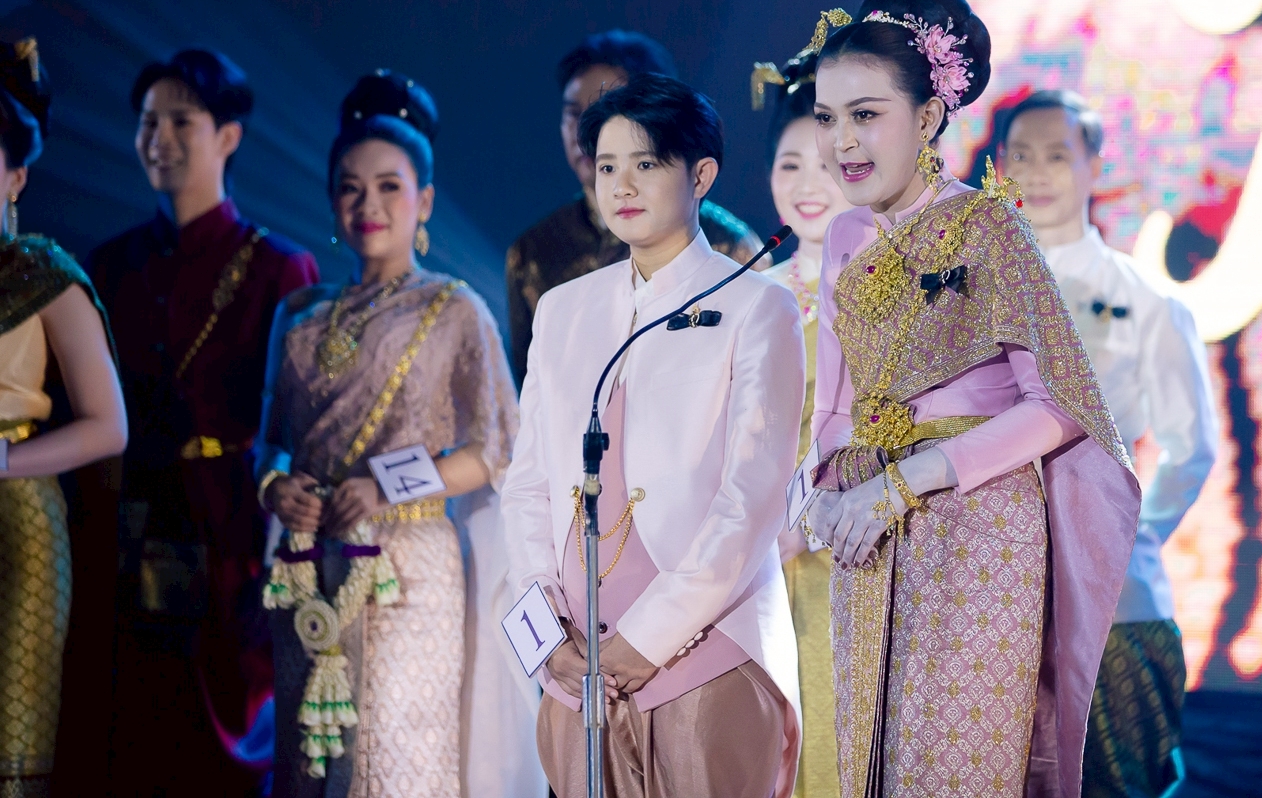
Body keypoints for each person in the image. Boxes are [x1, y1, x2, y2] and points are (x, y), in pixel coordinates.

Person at [801, 0, 1142, 797]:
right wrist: (821, 486)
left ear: (927, 117)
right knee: (868, 764)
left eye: (865, 115)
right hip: (867, 521)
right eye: (826, 117)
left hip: (975, 523)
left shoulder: (990, 227)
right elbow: (837, 403)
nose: (842, 141)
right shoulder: (844, 235)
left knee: (949, 766)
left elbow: (1059, 405)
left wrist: (908, 481)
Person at [503, 73, 805, 797]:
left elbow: (752, 501)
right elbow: (528, 483)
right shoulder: (563, 309)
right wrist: (546, 634)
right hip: (575, 662)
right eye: (608, 166)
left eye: (646, 163)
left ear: (700, 176)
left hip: (706, 652)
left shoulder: (757, 307)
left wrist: (647, 640)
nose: (623, 185)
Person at [256, 72, 521, 796]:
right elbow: (269, 440)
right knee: (310, 762)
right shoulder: (300, 313)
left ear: (424, 201)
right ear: (331, 200)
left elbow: (493, 450)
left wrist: (384, 487)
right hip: (308, 562)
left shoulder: (454, 308)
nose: (367, 205)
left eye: (389, 187)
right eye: (350, 188)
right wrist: (276, 486)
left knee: (397, 758)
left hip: (410, 568)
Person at [87, 48, 320, 796]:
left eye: (179, 121)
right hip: (127, 524)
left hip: (231, 534)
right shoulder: (109, 264)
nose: (158, 138)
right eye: (147, 122)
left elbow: (298, 428)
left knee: (223, 743)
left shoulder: (279, 267)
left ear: (228, 135)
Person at [1000, 90, 1218, 798]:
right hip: (990, 601)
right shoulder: (967, 297)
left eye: (1056, 155)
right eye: (1021, 155)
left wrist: (1127, 534)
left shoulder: (1147, 300)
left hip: (1116, 612)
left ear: (1094, 165)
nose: (1037, 172)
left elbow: (1192, 449)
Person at [0, 38, 128, 798]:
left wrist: (6, 461)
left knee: (13, 753)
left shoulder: (43, 274)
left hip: (17, 518)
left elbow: (108, 426)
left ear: (16, 176)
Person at [505, 30, 763, 382]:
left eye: (644, 164)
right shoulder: (533, 251)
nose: (586, 130)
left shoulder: (731, 244)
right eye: (573, 113)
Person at [754, 13, 855, 798]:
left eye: (826, 164)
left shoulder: (890, 288)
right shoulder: (747, 294)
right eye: (790, 165)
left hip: (847, 550)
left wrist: (808, 522)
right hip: (751, 559)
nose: (807, 184)